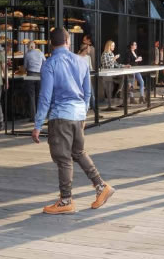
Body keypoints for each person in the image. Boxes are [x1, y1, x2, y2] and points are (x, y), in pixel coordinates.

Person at [31, 28, 114, 214]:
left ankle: (66, 200)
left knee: (63, 158)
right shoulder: (81, 61)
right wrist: (83, 114)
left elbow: (45, 97)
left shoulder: (50, 64)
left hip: (61, 115)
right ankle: (101, 187)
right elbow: (88, 93)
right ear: (68, 41)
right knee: (78, 152)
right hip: (78, 114)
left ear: (52, 44)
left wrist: (37, 125)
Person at [101, 40, 130, 111]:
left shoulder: (111, 54)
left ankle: (119, 90)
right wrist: (114, 59)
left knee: (124, 76)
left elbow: (116, 65)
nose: (114, 47)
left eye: (114, 45)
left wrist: (124, 66)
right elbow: (107, 66)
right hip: (107, 74)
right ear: (109, 46)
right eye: (112, 45)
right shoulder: (104, 54)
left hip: (113, 73)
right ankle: (109, 105)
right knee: (109, 89)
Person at [23, 40, 46, 122]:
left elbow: (25, 67)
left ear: (30, 47)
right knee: (39, 96)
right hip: (39, 75)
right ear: (34, 46)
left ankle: (33, 117)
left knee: (31, 96)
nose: (27, 48)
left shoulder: (27, 54)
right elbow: (45, 64)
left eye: (27, 47)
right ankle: (40, 116)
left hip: (30, 75)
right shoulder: (41, 53)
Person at [78, 44, 100, 117]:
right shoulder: (77, 57)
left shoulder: (88, 57)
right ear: (85, 49)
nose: (90, 50)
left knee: (92, 96)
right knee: (81, 96)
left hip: (87, 79)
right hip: (79, 80)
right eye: (89, 48)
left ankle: (96, 113)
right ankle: (82, 112)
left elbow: (90, 68)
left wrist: (95, 70)